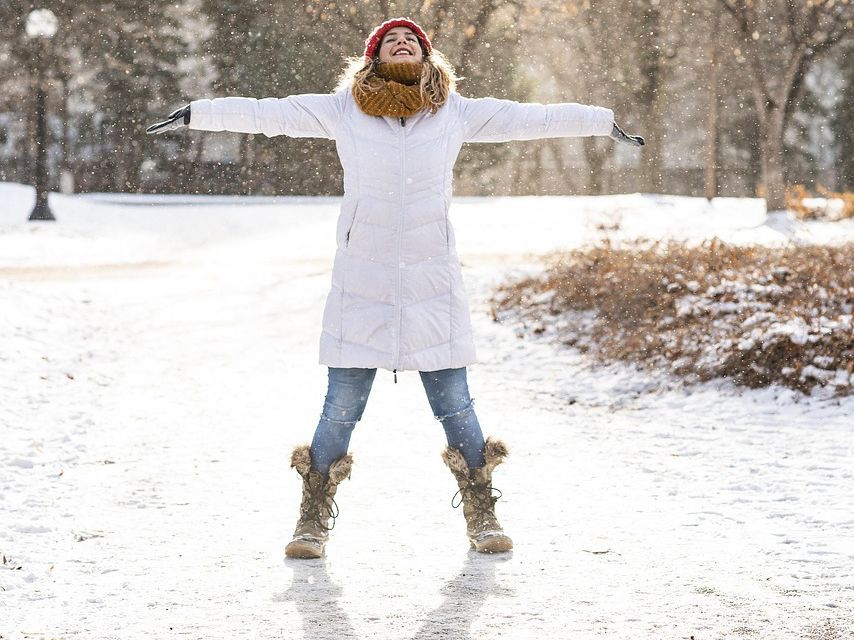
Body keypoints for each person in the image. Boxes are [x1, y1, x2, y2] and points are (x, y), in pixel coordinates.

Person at [147, 17, 644, 559]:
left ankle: (482, 515)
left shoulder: (455, 112)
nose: (402, 41)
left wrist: (603, 121)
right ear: (374, 57)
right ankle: (311, 520)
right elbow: (272, 112)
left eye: (412, 38)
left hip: (433, 280)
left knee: (455, 404)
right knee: (341, 406)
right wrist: (200, 112)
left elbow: (533, 118)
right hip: (363, 278)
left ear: (427, 56)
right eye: (391, 39)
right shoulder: (343, 109)